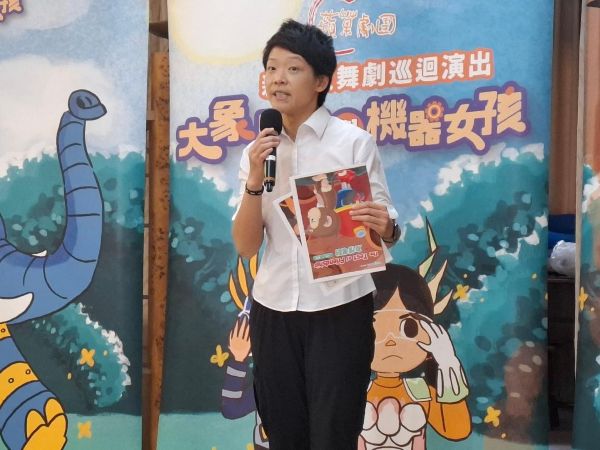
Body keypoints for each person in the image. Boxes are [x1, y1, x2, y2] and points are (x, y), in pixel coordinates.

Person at [232, 19, 400, 450]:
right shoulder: (258, 152)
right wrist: (254, 180)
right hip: (273, 308)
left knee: (333, 433)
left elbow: (386, 226)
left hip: (339, 307)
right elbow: (246, 246)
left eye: (292, 69)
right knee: (283, 432)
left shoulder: (353, 143)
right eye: (271, 68)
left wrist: (385, 225)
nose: (277, 79)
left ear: (321, 81)